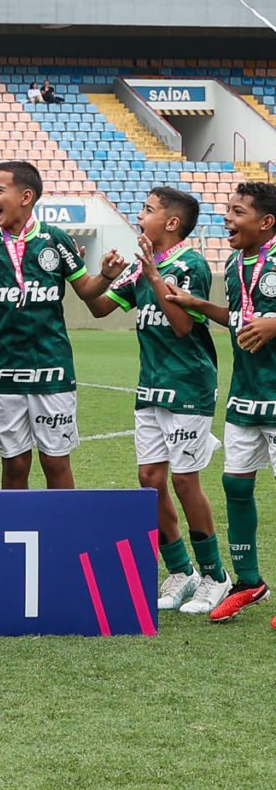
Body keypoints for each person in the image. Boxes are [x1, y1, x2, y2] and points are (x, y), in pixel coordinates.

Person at [89, 187, 229, 616]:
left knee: (186, 481)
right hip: (150, 386)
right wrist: (106, 275)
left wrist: (152, 276)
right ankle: (181, 571)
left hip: (188, 385)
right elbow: (99, 308)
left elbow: (184, 326)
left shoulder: (190, 265)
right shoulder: (140, 266)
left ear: (171, 222)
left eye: (147, 210)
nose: (139, 215)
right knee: (150, 479)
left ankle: (215, 576)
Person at [0, 160, 120, 490]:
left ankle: (64, 524)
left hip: (52, 368)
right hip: (6, 369)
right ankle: (15, 523)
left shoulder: (56, 239)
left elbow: (86, 289)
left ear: (26, 196)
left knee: (56, 461)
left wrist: (105, 275)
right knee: (14, 463)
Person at [160, 181, 276, 623]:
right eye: (228, 209)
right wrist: (196, 304)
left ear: (266, 222)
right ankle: (249, 582)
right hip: (245, 392)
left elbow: (264, 321)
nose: (227, 217)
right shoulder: (232, 263)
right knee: (235, 485)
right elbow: (239, 318)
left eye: (238, 211)